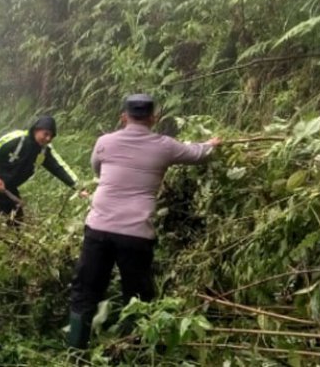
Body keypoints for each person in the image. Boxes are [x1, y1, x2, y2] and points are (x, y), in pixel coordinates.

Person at [67, 94, 222, 349]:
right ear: (154, 117)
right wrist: (212, 143)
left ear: (123, 117)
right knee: (137, 295)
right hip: (136, 233)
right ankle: (134, 349)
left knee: (85, 290)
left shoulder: (104, 142)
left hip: (99, 227)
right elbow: (199, 153)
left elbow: (98, 171)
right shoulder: (165, 146)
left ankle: (75, 352)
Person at [0, 115, 88, 223]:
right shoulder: (16, 139)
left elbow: (59, 168)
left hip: (9, 188)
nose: (48, 138)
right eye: (45, 134)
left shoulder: (44, 151)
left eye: (51, 136)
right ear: (36, 129)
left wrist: (79, 188)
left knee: (17, 223)